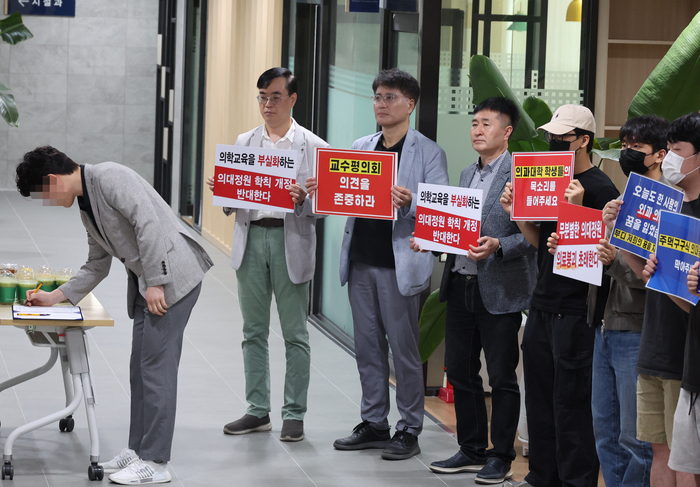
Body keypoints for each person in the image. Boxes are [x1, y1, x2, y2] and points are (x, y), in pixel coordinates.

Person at [16, 146, 213, 485]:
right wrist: (56, 297)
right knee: (141, 368)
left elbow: (148, 225)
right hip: (147, 284)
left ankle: (156, 461)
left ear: (51, 181)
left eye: (42, 195)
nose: (47, 203)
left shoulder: (109, 177)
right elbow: (97, 264)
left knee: (156, 370)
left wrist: (157, 282)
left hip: (172, 281)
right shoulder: (86, 205)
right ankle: (137, 451)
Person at [306, 68, 448, 460]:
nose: (381, 105)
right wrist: (325, 189)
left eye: (390, 97)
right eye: (377, 97)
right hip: (361, 262)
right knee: (367, 348)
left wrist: (411, 203)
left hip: (399, 266)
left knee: (403, 351)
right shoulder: (362, 145)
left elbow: (439, 213)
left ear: (410, 104)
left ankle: (409, 428)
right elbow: (346, 194)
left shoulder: (429, 152)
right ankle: (374, 422)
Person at [414, 97, 536, 483]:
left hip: (500, 290)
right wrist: (431, 238)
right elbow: (457, 227)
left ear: (507, 131)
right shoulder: (467, 173)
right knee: (462, 373)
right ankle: (469, 448)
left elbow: (533, 238)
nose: (477, 131)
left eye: (486, 124)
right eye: (474, 124)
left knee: (500, 376)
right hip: (461, 284)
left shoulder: (521, 174)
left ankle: (501, 455)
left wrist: (500, 246)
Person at [206, 67, 329, 442]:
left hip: (291, 240)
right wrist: (224, 189)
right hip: (252, 239)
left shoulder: (314, 146)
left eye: (275, 96)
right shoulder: (245, 141)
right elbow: (233, 205)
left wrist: (306, 200)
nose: (267, 104)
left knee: (295, 334)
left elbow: (324, 207)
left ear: (292, 99)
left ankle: (294, 413)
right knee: (253, 332)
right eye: (262, 96)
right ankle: (257, 410)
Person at [501, 104, 619, 487]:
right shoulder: (549, 181)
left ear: (584, 140)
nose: (553, 144)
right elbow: (543, 247)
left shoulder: (601, 189)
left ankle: (575, 480)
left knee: (571, 403)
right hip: (542, 302)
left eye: (562, 139)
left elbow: (596, 261)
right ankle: (541, 475)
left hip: (577, 311)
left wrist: (577, 209)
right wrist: (517, 215)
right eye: (550, 137)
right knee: (539, 396)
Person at [618, 112, 700, 487]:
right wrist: (619, 233)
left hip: (685, 355)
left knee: (686, 461)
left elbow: (688, 296)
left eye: (677, 151)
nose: (669, 159)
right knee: (659, 452)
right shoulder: (669, 204)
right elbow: (646, 275)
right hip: (653, 344)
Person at [589, 115, 669, 487]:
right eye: (624, 145)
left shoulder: (669, 207)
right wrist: (603, 227)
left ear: (660, 154)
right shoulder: (621, 201)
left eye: (637, 147)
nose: (627, 153)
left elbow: (655, 278)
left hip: (636, 329)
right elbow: (601, 259)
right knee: (605, 430)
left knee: (635, 438)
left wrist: (613, 263)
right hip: (604, 325)